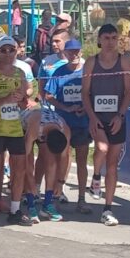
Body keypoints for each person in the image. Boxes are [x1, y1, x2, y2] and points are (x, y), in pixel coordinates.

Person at [82, 24, 130, 226]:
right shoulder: (91, 63)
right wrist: (92, 117)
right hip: (97, 116)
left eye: (114, 37)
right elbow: (85, 93)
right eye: (106, 38)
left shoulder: (125, 62)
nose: (110, 42)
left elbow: (128, 92)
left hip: (117, 117)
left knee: (112, 163)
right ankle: (95, 177)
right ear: (100, 40)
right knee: (101, 148)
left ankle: (107, 208)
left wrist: (120, 115)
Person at [0, 36, 32, 229]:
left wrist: (20, 99)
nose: (8, 54)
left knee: (19, 169)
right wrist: (4, 100)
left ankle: (15, 210)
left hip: (15, 129)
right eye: (3, 50)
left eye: (11, 50)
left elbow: (23, 103)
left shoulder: (20, 73)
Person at [45, 39, 92, 214]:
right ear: (65, 53)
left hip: (82, 122)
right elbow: (48, 96)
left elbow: (92, 94)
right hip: (63, 122)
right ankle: (56, 195)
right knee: (61, 159)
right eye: (70, 52)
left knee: (82, 160)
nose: (74, 54)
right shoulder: (59, 72)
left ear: (81, 51)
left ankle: (81, 199)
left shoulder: (87, 72)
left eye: (77, 51)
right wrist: (66, 108)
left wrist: (84, 108)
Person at [21, 107, 70, 223]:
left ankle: (47, 204)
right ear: (45, 139)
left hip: (48, 125)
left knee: (52, 161)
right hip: (25, 125)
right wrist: (31, 181)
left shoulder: (65, 130)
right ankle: (31, 205)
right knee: (29, 162)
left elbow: (64, 158)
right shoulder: (34, 126)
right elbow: (25, 159)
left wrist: (60, 182)